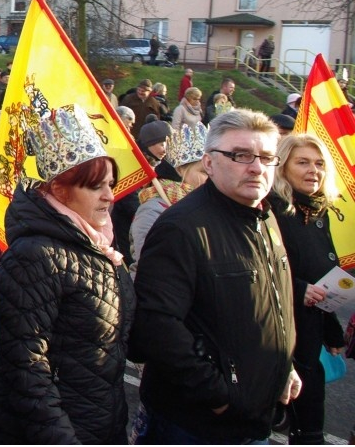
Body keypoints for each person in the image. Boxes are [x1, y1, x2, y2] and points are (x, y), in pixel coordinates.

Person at [129, 109, 301, 444]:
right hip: (196, 426)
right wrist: (218, 396)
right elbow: (155, 326)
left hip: (254, 416)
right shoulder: (182, 228)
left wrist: (284, 366)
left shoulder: (263, 218)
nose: (256, 167)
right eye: (240, 155)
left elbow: (271, 304)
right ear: (208, 163)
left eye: (267, 157)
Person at [0, 105, 135, 443]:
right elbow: (27, 365)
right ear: (60, 190)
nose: (110, 195)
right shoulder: (35, 257)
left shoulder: (99, 244)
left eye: (110, 184)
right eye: (96, 187)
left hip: (97, 420)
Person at [268, 134, 344, 444]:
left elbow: (321, 276)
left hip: (310, 333)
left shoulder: (319, 212)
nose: (314, 170)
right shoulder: (271, 210)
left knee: (309, 423)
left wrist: (332, 329)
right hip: (278, 338)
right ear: (283, 168)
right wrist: (299, 289)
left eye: (320, 163)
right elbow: (261, 267)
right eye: (303, 162)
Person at [129, 122, 208, 274]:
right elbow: (151, 265)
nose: (211, 178)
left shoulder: (210, 204)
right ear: (180, 170)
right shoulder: (153, 209)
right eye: (204, 172)